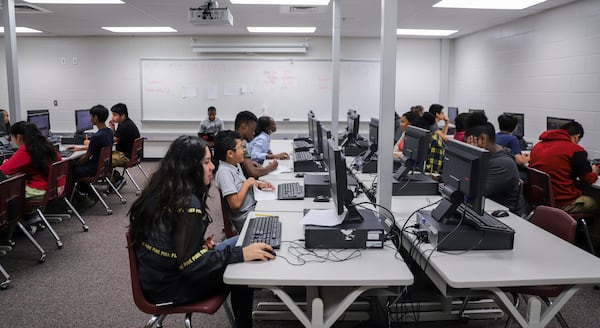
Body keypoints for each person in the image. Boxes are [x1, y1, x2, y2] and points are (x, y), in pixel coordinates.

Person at [128, 135, 272, 328]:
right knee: (241, 263)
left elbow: (168, 241)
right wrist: (240, 254)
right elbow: (191, 266)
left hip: (159, 276)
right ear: (189, 167)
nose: (212, 166)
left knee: (241, 240)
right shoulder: (188, 204)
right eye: (206, 162)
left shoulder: (164, 190)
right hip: (172, 286)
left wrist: (198, 245)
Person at [529, 121, 600, 245]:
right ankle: (594, 244)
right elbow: (588, 179)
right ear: (577, 136)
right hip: (562, 202)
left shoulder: (538, 146)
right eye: (578, 140)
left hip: (541, 200)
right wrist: (595, 170)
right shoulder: (575, 149)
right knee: (597, 202)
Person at [214, 130, 274, 232]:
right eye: (241, 147)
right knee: (279, 220)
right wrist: (247, 184)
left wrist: (257, 184)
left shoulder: (234, 164)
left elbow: (240, 185)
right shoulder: (224, 173)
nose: (244, 151)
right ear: (230, 153)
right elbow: (235, 204)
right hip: (246, 218)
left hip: (252, 208)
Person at [464, 113, 523, 215]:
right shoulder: (490, 158)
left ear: (482, 139)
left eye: (469, 143)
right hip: (484, 211)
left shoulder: (502, 164)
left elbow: (472, 191)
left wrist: (472, 157)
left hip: (504, 220)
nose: (467, 146)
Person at [0, 121, 61, 199]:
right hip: (55, 186)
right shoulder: (46, 145)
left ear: (18, 137)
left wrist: (7, 163)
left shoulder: (26, 150)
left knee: (8, 196)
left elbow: (3, 170)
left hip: (40, 190)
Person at [68, 105, 114, 180]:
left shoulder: (96, 136)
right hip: (103, 167)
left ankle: (77, 190)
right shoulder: (109, 132)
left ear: (95, 117)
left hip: (93, 169)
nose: (90, 119)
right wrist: (80, 148)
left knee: (69, 170)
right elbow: (98, 147)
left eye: (91, 116)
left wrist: (75, 163)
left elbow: (86, 158)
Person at [233, 110, 278, 178]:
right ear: (244, 126)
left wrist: (251, 163)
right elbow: (253, 172)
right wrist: (271, 167)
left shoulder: (233, 139)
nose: (254, 133)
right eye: (252, 129)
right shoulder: (239, 144)